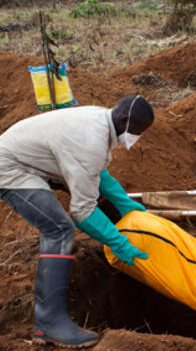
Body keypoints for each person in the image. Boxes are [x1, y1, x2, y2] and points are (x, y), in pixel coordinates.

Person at [0, 95, 154, 347]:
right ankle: (49, 323)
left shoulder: (101, 120)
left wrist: (125, 204)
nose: (136, 138)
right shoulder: (90, 141)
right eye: (137, 131)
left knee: (84, 206)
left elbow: (98, 173)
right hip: (9, 167)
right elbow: (82, 212)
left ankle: (50, 321)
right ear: (125, 120)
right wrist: (118, 243)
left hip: (27, 158)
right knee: (59, 229)